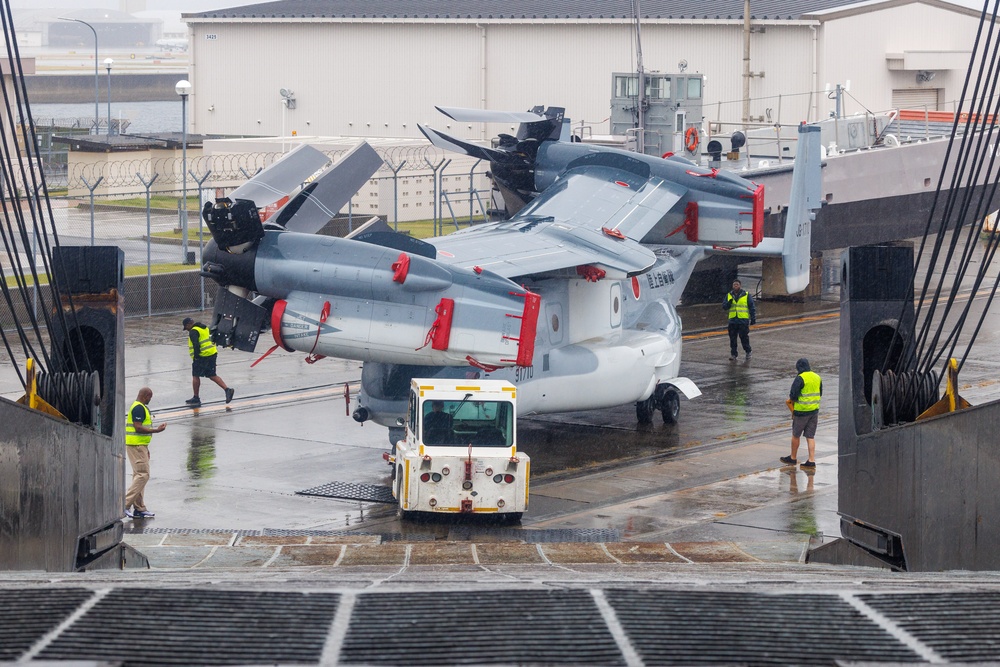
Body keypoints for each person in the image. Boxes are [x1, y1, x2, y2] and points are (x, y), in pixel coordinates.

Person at [125, 387, 166, 519]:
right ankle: (124, 504)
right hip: (136, 445)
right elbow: (138, 427)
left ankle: (139, 508)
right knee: (143, 475)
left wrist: (146, 448)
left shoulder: (139, 406)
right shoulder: (139, 408)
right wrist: (156, 430)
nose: (150, 400)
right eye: (150, 397)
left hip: (139, 445)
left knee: (139, 475)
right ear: (146, 395)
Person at [780, 358, 822, 469]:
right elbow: (820, 392)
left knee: (796, 435)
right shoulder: (817, 377)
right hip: (814, 411)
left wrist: (793, 406)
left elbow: (793, 395)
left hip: (801, 412)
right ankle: (811, 460)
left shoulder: (800, 378)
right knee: (810, 436)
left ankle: (793, 458)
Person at [183, 317, 234, 406]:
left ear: (188, 325)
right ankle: (227, 390)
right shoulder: (205, 328)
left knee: (195, 375)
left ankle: (196, 397)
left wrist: (196, 357)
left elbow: (196, 345)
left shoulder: (193, 331)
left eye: (186, 327)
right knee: (212, 375)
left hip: (202, 356)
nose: (186, 329)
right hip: (212, 354)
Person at [724, 279, 756, 360]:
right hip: (733, 321)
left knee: (744, 337)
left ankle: (748, 351)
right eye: (734, 284)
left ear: (740, 285)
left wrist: (753, 318)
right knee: (733, 339)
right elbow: (724, 307)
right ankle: (734, 354)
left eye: (737, 284)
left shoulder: (746, 295)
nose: (735, 286)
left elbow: (751, 307)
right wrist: (729, 303)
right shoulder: (729, 295)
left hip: (743, 320)